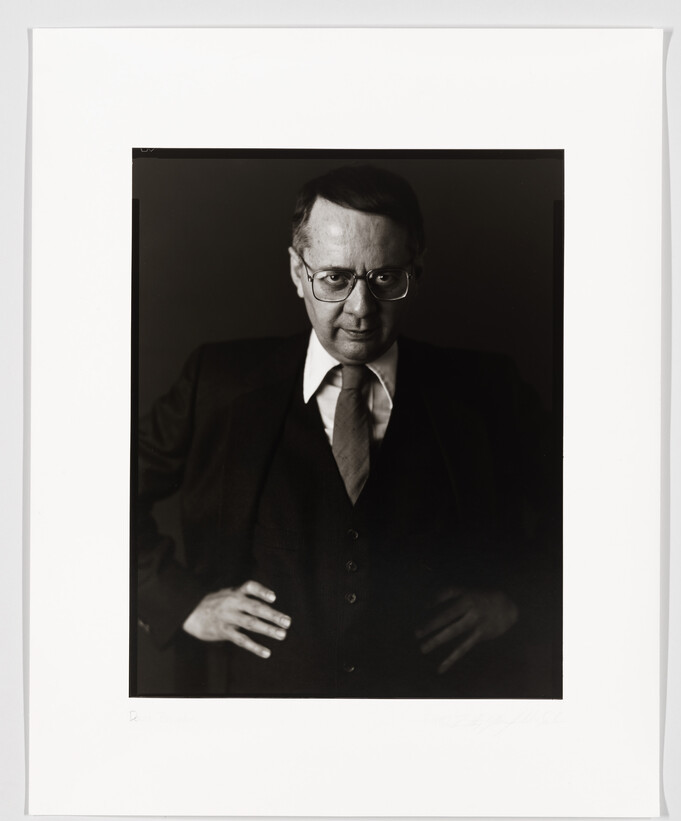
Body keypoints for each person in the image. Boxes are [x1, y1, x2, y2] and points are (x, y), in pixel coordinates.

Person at [136, 164, 559, 698]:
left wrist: (516, 597)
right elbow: (98, 495)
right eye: (335, 278)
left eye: (385, 278)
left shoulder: (488, 392)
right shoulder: (215, 385)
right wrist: (178, 602)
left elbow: (594, 511)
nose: (361, 310)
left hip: (439, 724)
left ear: (417, 269)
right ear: (297, 271)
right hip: (249, 721)